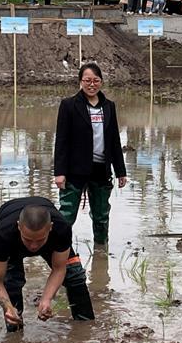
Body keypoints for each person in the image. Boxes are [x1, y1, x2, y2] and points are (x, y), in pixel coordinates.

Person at [0, 197, 95, 330]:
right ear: (19, 226)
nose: (33, 246)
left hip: (51, 238)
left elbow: (59, 269)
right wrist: (7, 306)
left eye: (39, 240)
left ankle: (86, 328)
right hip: (12, 239)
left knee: (74, 275)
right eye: (28, 240)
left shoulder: (61, 229)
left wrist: (46, 299)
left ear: (50, 228)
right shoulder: (3, 235)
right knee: (11, 284)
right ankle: (15, 333)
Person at [53, 61, 129, 247]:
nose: (91, 84)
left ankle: (101, 254)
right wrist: (59, 172)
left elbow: (114, 140)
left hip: (100, 170)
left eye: (96, 80)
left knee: (102, 216)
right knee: (66, 214)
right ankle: (58, 250)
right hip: (74, 170)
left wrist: (120, 171)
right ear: (80, 82)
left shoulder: (108, 106)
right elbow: (61, 140)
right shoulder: (69, 105)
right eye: (87, 80)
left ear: (101, 82)